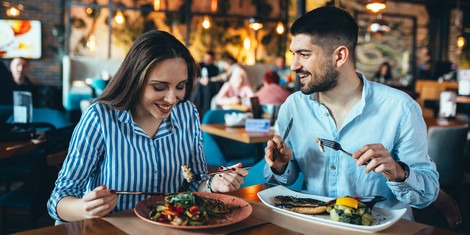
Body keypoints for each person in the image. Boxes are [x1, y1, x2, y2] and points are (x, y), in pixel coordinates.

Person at [47, 30, 249, 222]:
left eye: (180, 86)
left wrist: (213, 184)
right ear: (135, 80)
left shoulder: (188, 113)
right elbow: (59, 199)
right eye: (159, 87)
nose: (172, 98)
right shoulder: (100, 118)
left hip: (172, 227)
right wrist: (85, 208)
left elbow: (194, 182)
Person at [263, 6, 438, 220]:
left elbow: (428, 194)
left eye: (304, 55)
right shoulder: (293, 107)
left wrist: (397, 171)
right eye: (293, 54)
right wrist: (281, 167)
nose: (293, 65)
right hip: (315, 227)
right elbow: (283, 179)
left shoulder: (400, 108)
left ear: (340, 56)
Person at [190, 51, 221, 118]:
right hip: (199, 83)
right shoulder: (198, 65)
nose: (207, 60)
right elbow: (193, 76)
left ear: (212, 59)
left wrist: (209, 80)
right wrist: (200, 80)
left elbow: (217, 78)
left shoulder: (215, 68)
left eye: (209, 59)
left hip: (210, 86)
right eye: (206, 58)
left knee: (209, 87)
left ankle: (205, 111)